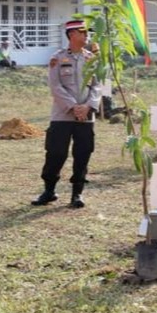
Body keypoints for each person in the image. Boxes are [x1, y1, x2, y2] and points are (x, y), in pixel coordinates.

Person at [31, 19, 102, 209]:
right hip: (62, 115)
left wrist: (88, 106)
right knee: (56, 153)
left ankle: (77, 193)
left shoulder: (92, 58)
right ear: (71, 35)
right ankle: (49, 191)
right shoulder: (57, 58)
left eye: (87, 32)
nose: (87, 35)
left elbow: (97, 86)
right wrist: (73, 107)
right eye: (83, 32)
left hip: (86, 116)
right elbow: (55, 86)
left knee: (83, 153)